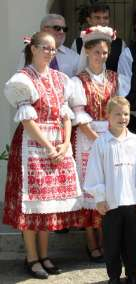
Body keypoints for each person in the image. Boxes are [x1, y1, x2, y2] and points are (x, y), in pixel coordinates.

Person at [3, 31, 83, 279]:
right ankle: (32, 257)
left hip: (57, 144)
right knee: (31, 205)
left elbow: (66, 115)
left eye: (53, 49)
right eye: (45, 48)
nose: (50, 52)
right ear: (33, 49)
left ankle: (45, 255)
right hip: (32, 146)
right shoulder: (23, 78)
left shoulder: (61, 79)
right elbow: (27, 120)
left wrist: (65, 144)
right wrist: (49, 146)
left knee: (47, 205)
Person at [69, 26, 130, 263]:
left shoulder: (116, 79)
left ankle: (109, 241)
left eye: (105, 52)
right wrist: (99, 140)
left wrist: (114, 136)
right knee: (92, 187)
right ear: (87, 52)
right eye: (97, 53)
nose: (101, 56)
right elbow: (79, 115)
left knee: (112, 186)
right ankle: (92, 243)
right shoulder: (78, 81)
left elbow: (122, 110)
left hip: (113, 135)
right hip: (88, 138)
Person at [84, 96, 136, 284]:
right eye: (118, 114)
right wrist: (99, 197)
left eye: (126, 114)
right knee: (112, 243)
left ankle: (131, 274)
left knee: (131, 242)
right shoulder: (101, 143)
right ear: (108, 116)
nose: (123, 117)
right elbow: (95, 171)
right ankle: (113, 276)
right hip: (111, 203)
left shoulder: (135, 141)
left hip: (131, 202)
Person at [72, 3, 126, 72]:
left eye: (105, 18)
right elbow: (74, 69)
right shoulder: (77, 43)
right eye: (97, 18)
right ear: (89, 20)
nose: (101, 21)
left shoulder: (120, 44)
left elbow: (122, 72)